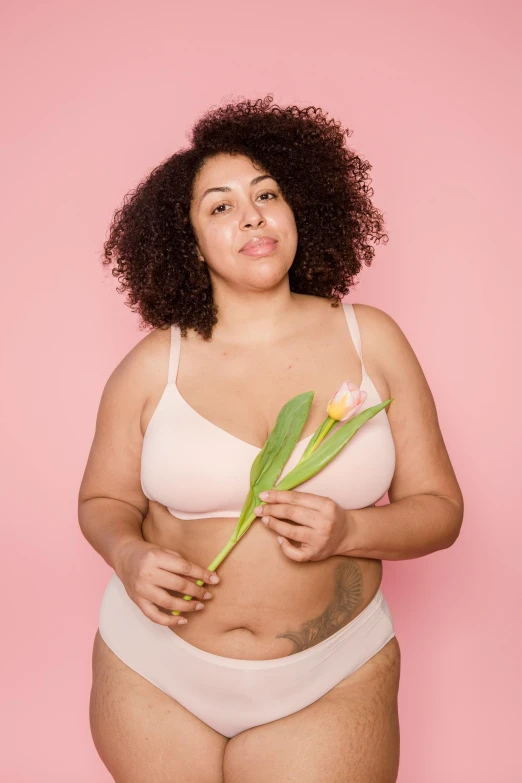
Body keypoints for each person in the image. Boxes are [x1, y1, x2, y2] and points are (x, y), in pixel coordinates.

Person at [78, 95, 464, 783]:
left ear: (299, 209)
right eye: (220, 206)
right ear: (187, 240)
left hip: (330, 677)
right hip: (156, 672)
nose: (252, 214)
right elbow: (103, 498)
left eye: (267, 193)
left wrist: (348, 528)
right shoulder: (149, 367)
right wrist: (130, 553)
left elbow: (440, 509)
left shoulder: (370, 338)